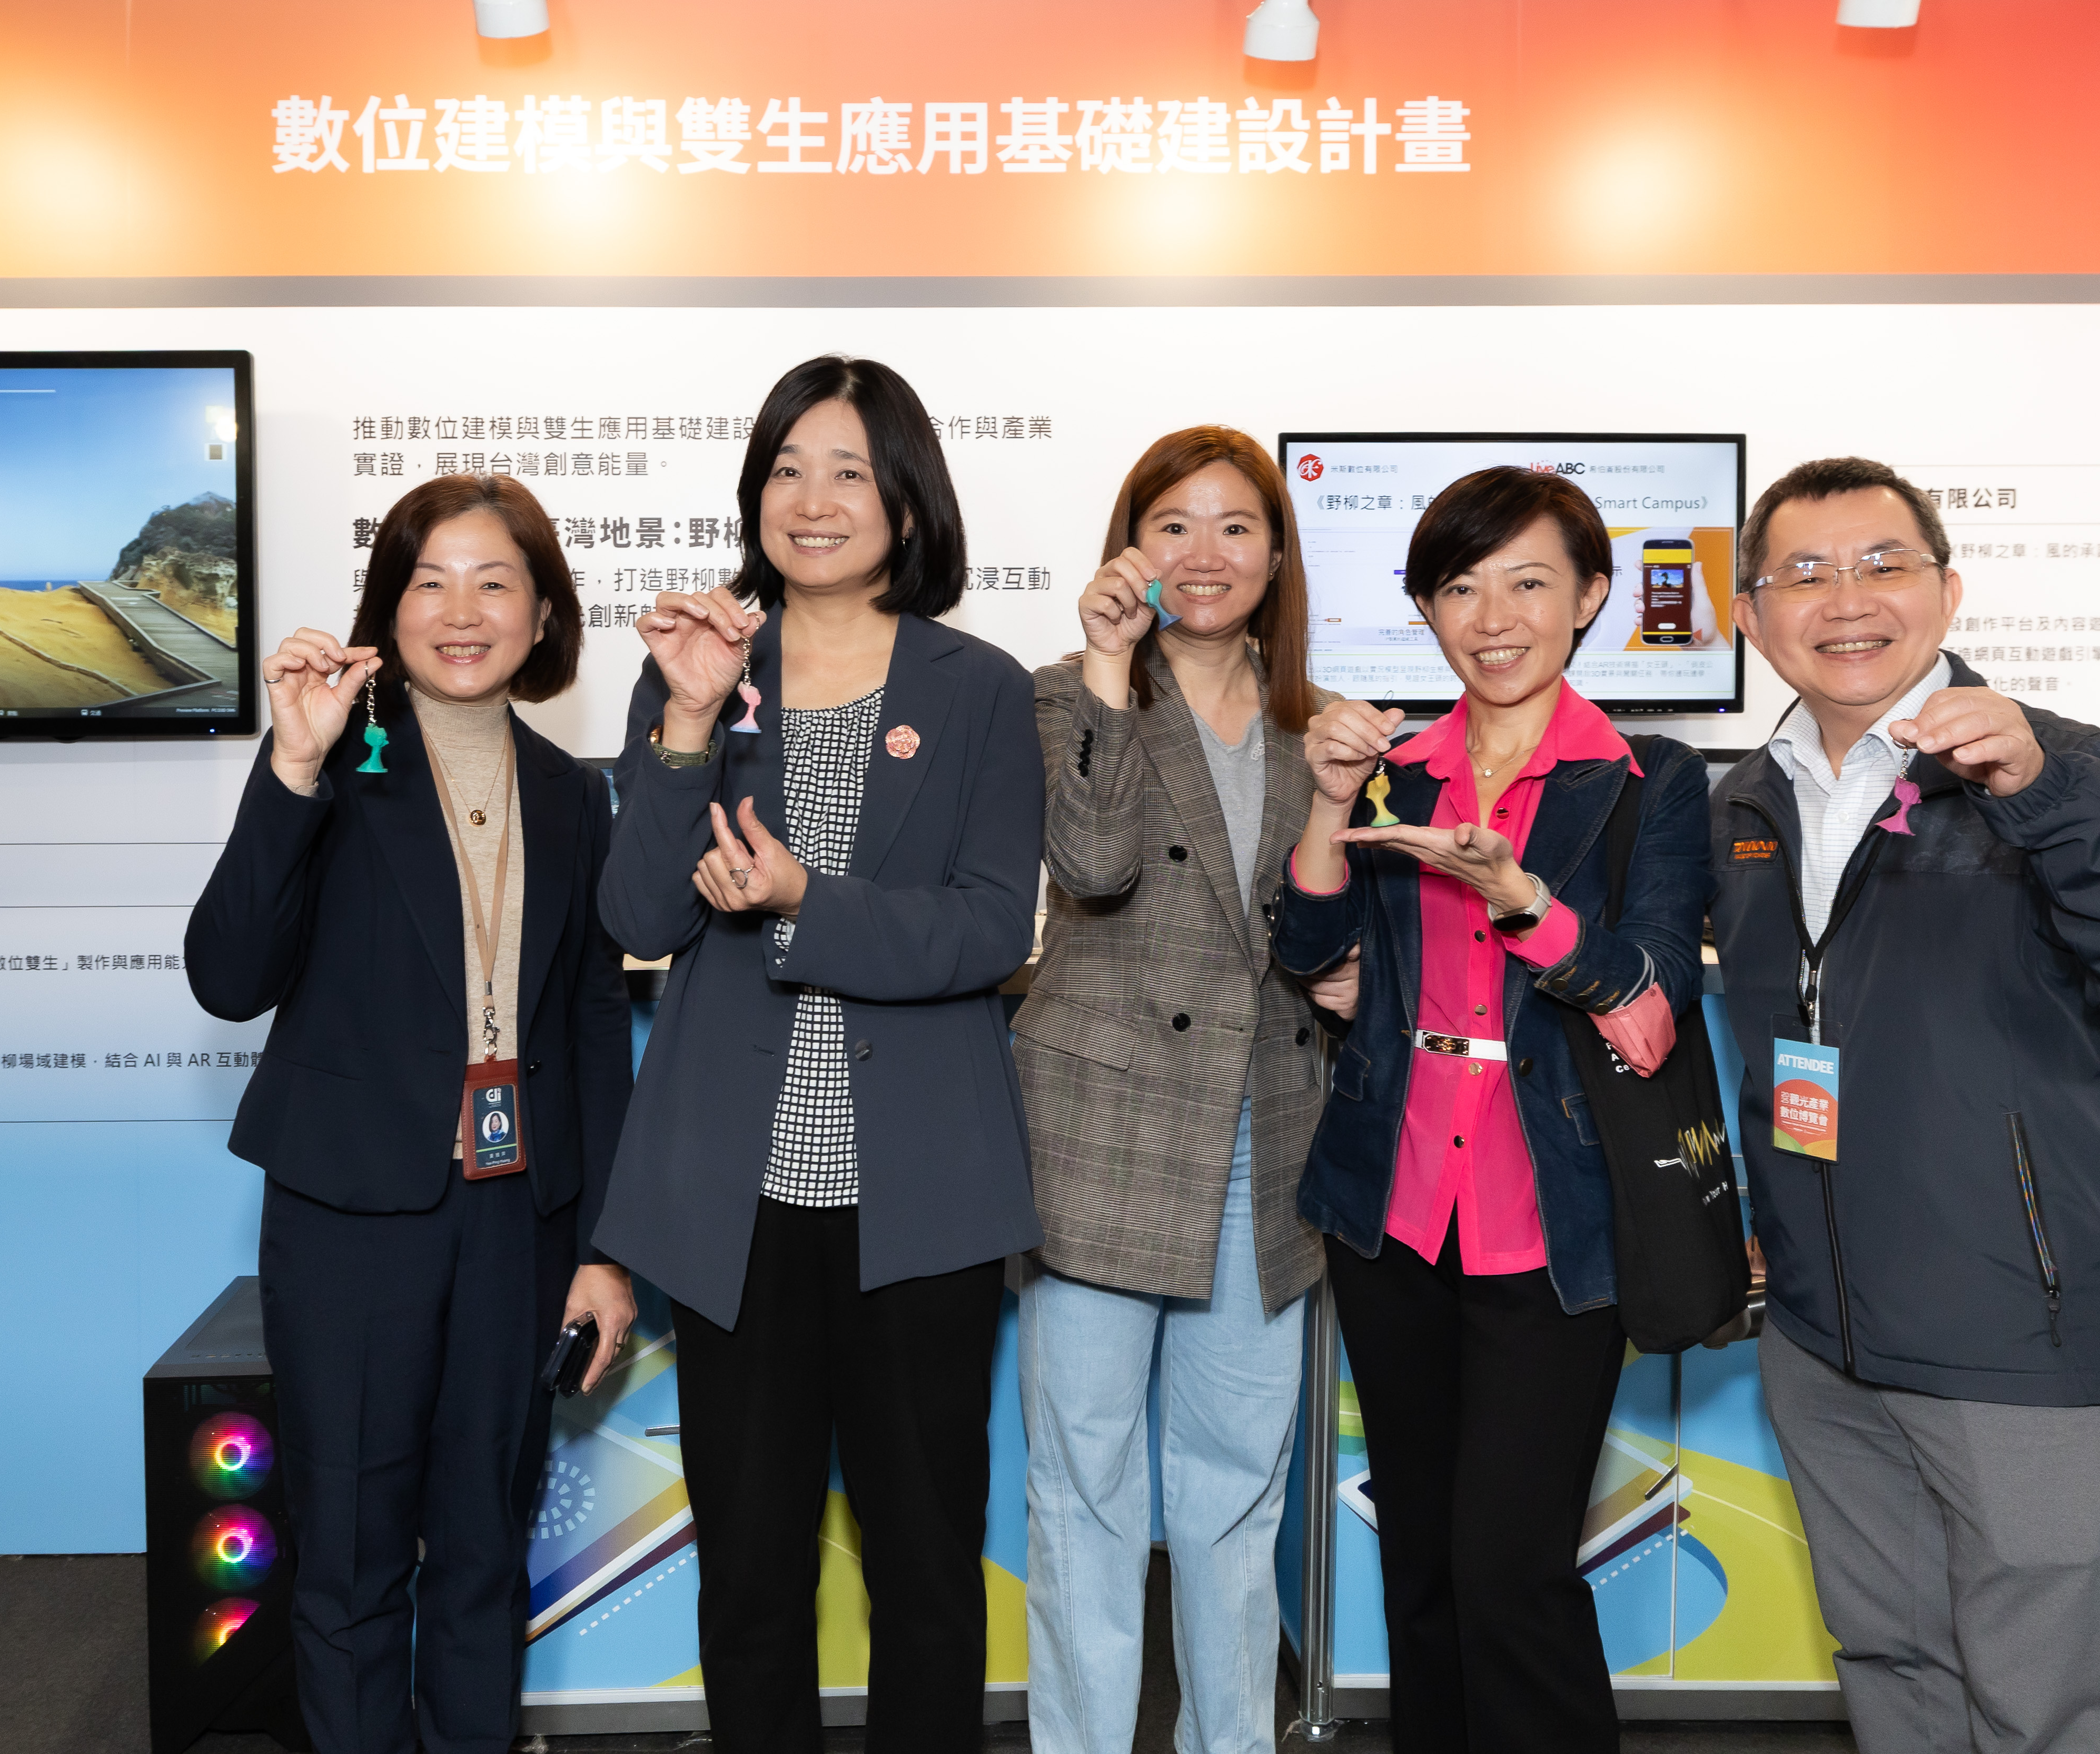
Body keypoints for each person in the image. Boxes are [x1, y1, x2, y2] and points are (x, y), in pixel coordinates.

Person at [1709, 456, 2100, 1753]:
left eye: (1881, 564)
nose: (1844, 598)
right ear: (1750, 615)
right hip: (1818, 1329)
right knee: (1889, 1661)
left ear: (1948, 591)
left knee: (2042, 1699)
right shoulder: (1744, 797)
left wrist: (2040, 798)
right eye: (1802, 573)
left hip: (2016, 1325)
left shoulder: (2060, 765)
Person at [593, 354, 1044, 1754]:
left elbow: (990, 928)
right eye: (786, 467)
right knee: (747, 1568)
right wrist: (683, 721)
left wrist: (804, 900)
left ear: (905, 499)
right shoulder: (700, 669)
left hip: (919, 1198)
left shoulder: (978, 687)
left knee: (925, 1568)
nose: (812, 498)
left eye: (848, 469)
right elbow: (637, 917)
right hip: (732, 1199)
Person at [184, 474, 636, 1754]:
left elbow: (589, 1023)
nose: (461, 610)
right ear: (388, 607)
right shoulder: (332, 757)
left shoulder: (569, 793)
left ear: (541, 613)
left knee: (485, 1550)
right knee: (350, 1559)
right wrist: (291, 765)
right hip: (352, 1220)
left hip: (515, 1222)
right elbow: (227, 978)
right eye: (429, 581)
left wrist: (602, 1249)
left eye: (494, 582)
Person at [1271, 465, 1711, 1752]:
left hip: (1555, 1215)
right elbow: (1308, 948)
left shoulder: (1644, 780)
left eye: (1527, 583)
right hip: (1391, 1207)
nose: (1492, 617)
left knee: (1509, 1567)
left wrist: (1518, 899)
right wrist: (1328, 803)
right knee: (1419, 1553)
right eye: (1459, 588)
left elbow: (1649, 996)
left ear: (1589, 598)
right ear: (1424, 609)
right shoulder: (1394, 771)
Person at [1014, 426, 1342, 1754]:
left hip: (1264, 1139)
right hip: (1099, 1132)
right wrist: (1106, 665)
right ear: (1129, 545)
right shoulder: (1062, 694)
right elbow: (1089, 868)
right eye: (1172, 526)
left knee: (1233, 1495)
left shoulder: (1320, 723)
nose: (1203, 554)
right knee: (1082, 1490)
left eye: (1235, 527)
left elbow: (1326, 922)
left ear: (1275, 555)